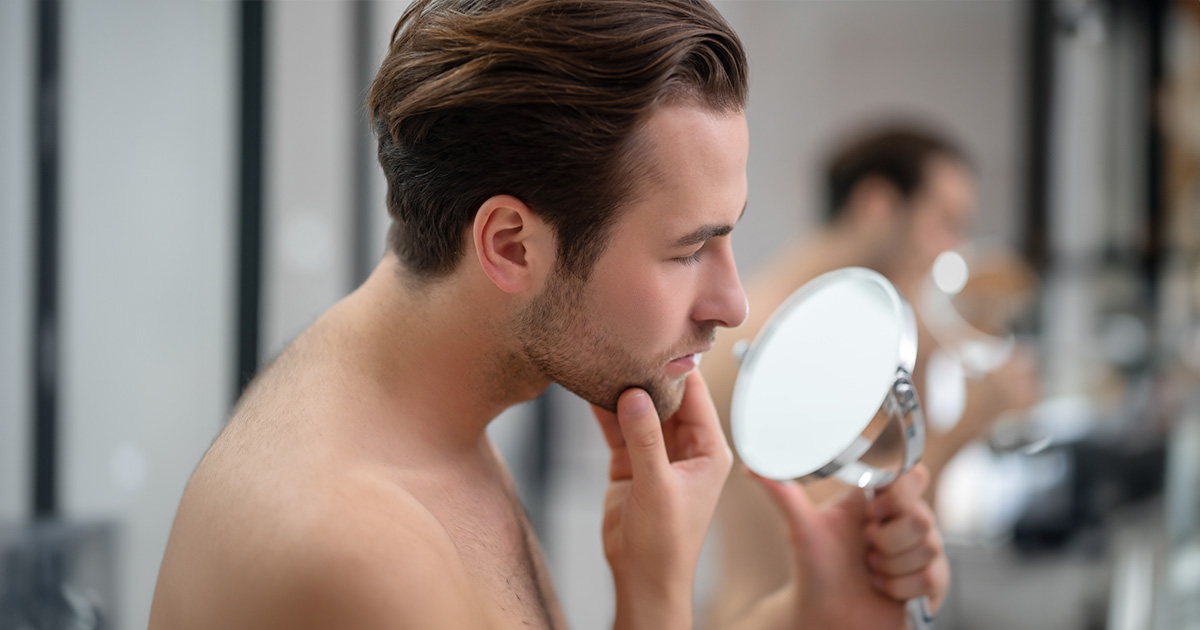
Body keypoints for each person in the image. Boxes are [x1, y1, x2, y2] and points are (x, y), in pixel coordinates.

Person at [149, 3, 947, 628]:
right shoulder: (358, 549)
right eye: (687, 251)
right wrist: (657, 602)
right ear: (510, 245)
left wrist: (813, 618)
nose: (732, 305)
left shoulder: (429, 418)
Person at [703, 124, 1039, 625]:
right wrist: (971, 423)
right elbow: (853, 540)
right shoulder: (782, 335)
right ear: (877, 205)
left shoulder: (845, 327)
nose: (954, 250)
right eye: (946, 222)